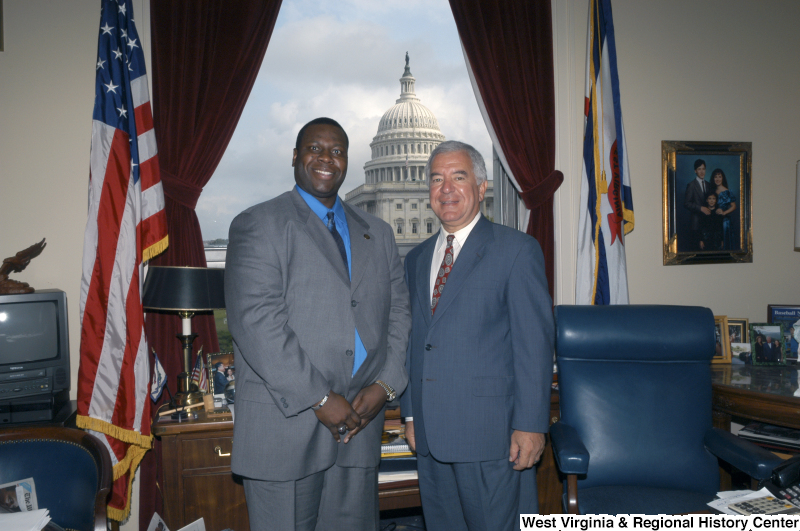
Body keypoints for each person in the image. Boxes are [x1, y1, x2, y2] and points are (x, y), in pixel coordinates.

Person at [224, 117, 412, 530]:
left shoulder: (378, 234)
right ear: (295, 157)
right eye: (315, 148)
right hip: (285, 426)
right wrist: (322, 399)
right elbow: (257, 322)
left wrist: (385, 386)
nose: (326, 159)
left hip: (361, 426)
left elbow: (399, 314)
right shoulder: (259, 223)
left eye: (337, 151)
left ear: (347, 162)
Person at [400, 141, 554, 530]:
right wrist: (412, 413)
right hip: (431, 437)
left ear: (482, 188)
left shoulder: (516, 250)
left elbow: (533, 347)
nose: (446, 188)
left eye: (458, 176)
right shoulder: (417, 259)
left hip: (493, 436)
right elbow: (415, 342)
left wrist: (532, 424)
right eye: (437, 179)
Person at [684, 159, 711, 250]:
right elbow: (686, 203)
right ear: (695, 171)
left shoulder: (708, 184)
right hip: (696, 224)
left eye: (703, 169)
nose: (702, 171)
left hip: (707, 223)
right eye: (699, 169)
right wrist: (700, 208)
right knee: (697, 250)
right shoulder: (691, 185)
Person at [708, 168, 737, 250]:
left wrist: (724, 212)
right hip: (714, 220)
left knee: (724, 245)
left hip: (724, 222)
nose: (717, 179)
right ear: (713, 178)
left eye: (719, 177)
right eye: (715, 177)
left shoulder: (727, 191)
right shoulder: (712, 190)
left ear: (723, 178)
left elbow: (734, 206)